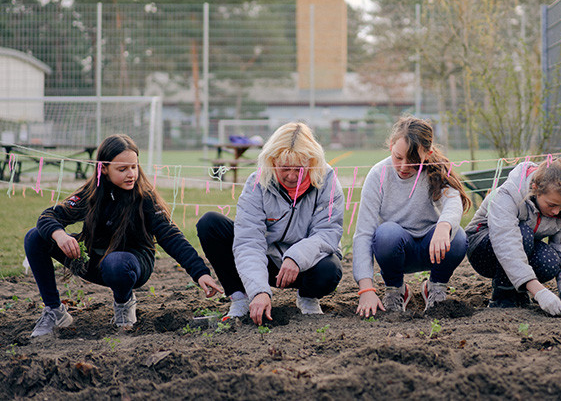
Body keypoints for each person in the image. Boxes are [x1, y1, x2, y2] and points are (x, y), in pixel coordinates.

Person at [24, 134, 223, 337]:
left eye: (134, 167)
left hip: (131, 264)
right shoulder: (91, 193)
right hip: (94, 260)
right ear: (104, 168)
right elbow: (48, 216)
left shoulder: (145, 198)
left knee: (116, 263)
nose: (131, 174)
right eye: (122, 169)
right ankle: (54, 310)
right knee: (35, 237)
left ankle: (124, 302)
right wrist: (60, 235)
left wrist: (200, 272)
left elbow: (170, 236)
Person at [197, 122, 344, 325]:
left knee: (330, 269)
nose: (292, 176)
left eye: (299, 169)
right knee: (210, 224)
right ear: (272, 161)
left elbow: (327, 232)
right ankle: (241, 298)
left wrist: (296, 257)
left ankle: (308, 298)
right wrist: (258, 290)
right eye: (284, 168)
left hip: (305, 266)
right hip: (267, 263)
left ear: (312, 162)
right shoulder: (256, 183)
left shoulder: (326, 179)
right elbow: (249, 241)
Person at [353, 116, 471, 316]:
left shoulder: (438, 170)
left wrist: (444, 226)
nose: (403, 167)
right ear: (391, 145)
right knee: (386, 233)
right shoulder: (378, 175)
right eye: (398, 157)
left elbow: (453, 202)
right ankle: (396, 289)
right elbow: (363, 233)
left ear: (428, 153)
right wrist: (366, 289)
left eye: (414, 160)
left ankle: (435, 287)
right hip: (395, 249)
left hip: (433, 248)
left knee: (457, 237)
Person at [465, 158, 561, 316]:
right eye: (551, 205)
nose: (557, 211)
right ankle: (503, 297)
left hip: (521, 246)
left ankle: (519, 291)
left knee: (549, 261)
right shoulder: (509, 194)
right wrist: (539, 291)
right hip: (482, 248)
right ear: (535, 189)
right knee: (524, 234)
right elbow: (507, 245)